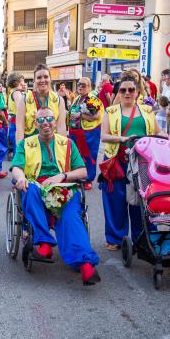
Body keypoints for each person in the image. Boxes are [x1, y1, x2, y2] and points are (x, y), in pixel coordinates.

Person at [10, 108, 100, 285]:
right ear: (35, 124)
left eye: (50, 118)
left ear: (55, 121)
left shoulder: (67, 143)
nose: (45, 122)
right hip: (37, 186)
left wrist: (62, 176)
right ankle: (44, 244)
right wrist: (21, 178)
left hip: (63, 187)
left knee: (71, 218)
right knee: (30, 190)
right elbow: (16, 167)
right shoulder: (25, 144)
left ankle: (86, 265)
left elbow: (82, 171)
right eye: (41, 120)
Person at [99, 75, 163, 250]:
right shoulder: (110, 111)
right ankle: (115, 238)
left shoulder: (148, 111)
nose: (127, 93)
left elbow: (159, 132)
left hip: (143, 162)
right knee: (115, 200)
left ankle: (142, 236)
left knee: (142, 200)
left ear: (137, 91)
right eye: (123, 90)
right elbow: (103, 136)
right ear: (118, 92)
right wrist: (123, 139)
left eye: (131, 90)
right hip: (117, 160)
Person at [15, 64, 66, 145]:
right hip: (31, 146)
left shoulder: (59, 100)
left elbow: (61, 128)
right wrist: (20, 152)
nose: (42, 80)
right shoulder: (24, 100)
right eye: (39, 77)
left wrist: (63, 149)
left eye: (46, 77)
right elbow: (19, 129)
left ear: (50, 79)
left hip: (52, 145)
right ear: (34, 80)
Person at [68, 77, 103, 186]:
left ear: (89, 87)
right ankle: (78, 177)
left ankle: (88, 179)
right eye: (79, 84)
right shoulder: (77, 98)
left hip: (89, 133)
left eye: (83, 85)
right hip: (75, 131)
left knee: (89, 156)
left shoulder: (93, 99)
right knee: (76, 156)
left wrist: (81, 115)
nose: (80, 86)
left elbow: (97, 116)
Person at [5, 73, 26, 159]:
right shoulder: (17, 93)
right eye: (22, 80)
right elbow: (20, 108)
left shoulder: (13, 92)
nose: (24, 82)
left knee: (16, 146)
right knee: (18, 146)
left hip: (14, 122)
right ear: (17, 82)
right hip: (17, 123)